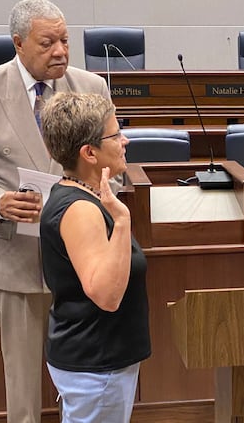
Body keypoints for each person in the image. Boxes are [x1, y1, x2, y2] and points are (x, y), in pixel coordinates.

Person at [0, 0, 111, 423]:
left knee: (86, 384)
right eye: (47, 42)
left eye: (64, 40)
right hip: (17, 262)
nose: (60, 51)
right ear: (18, 43)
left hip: (83, 263)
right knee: (23, 391)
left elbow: (112, 164)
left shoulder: (92, 87)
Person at [39, 92, 150, 422]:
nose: (125, 140)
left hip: (97, 361)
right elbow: (107, 295)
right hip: (98, 366)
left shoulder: (80, 196)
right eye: (115, 135)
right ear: (89, 152)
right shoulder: (80, 210)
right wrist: (123, 221)